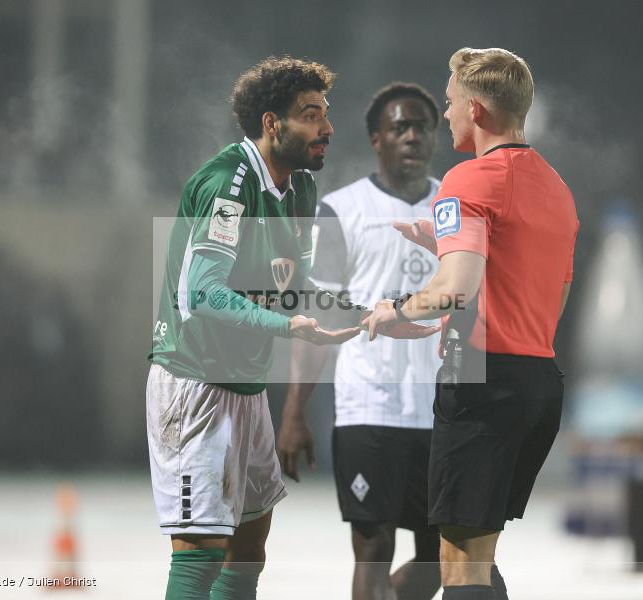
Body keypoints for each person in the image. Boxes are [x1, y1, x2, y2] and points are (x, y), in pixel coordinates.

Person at [365, 48, 579, 600]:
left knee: (460, 567)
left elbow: (453, 288)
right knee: (475, 555)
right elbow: (548, 293)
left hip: (482, 385)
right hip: (538, 384)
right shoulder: (556, 187)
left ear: (477, 109)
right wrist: (446, 253)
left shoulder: (468, 179)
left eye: (451, 102)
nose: (446, 115)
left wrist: (395, 310)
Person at [147, 56, 362, 600]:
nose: (327, 127)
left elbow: (295, 283)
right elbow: (201, 291)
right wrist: (286, 326)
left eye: (325, 113)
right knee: (200, 551)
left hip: (246, 387)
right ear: (272, 123)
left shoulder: (301, 189)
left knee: (248, 546)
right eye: (311, 115)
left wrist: (370, 312)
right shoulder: (228, 184)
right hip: (195, 384)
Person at [278, 82, 443, 600]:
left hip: (443, 413)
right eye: (400, 127)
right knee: (373, 550)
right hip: (368, 410)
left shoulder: (456, 209)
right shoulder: (341, 210)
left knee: (443, 559)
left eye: (422, 127)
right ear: (377, 139)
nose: (412, 136)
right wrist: (295, 411)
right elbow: (317, 319)